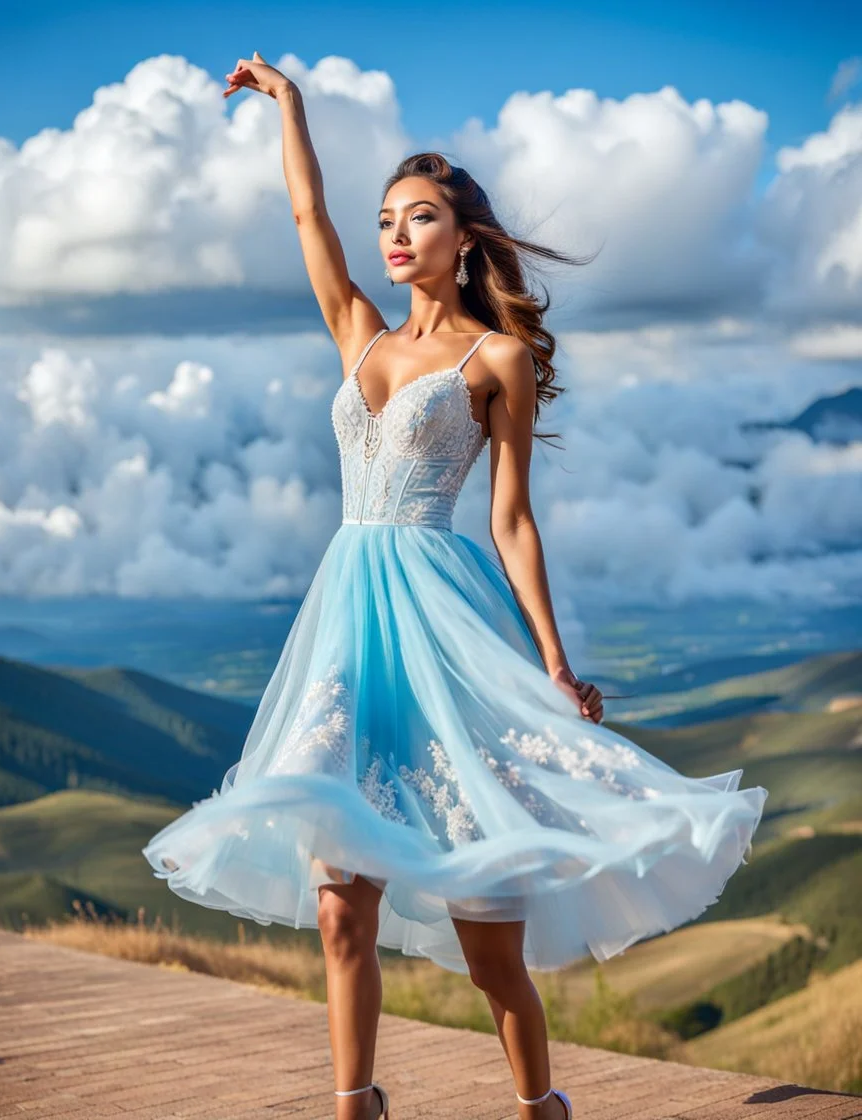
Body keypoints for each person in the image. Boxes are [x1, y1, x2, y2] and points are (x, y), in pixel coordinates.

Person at [142, 52, 768, 1120]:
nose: (393, 233)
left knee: (488, 942)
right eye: (386, 216)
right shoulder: (358, 334)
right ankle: (355, 1102)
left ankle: (537, 1105)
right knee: (341, 905)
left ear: (464, 235)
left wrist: (555, 660)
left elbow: (510, 518)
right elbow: (306, 219)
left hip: (439, 618)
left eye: (418, 215)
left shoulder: (496, 361)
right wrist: (290, 109)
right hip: (346, 618)